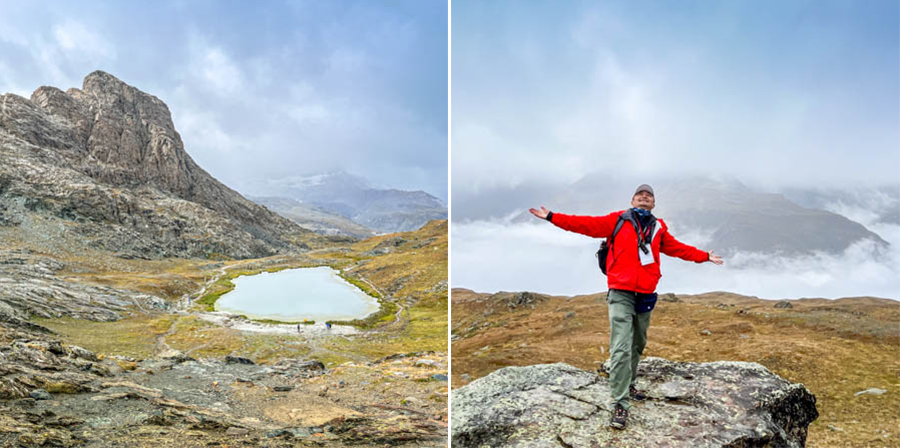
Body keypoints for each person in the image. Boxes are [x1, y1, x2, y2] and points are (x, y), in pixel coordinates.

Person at [529, 184, 724, 430]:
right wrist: (552, 217)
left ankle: (629, 383)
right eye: (640, 194)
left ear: (653, 204)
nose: (644, 196)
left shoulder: (658, 228)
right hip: (620, 292)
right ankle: (620, 403)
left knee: (637, 344)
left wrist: (704, 256)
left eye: (649, 195)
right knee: (620, 347)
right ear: (632, 200)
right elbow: (585, 224)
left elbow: (677, 249)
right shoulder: (618, 220)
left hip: (646, 294)